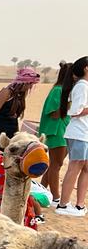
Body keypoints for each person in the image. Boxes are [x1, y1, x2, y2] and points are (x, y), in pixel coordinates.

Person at [56, 56, 88, 217]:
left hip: (84, 134)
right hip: (79, 133)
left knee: (86, 169)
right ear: (86, 69)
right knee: (75, 167)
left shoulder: (84, 86)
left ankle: (79, 205)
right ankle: (62, 205)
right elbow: (75, 112)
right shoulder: (82, 86)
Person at [38, 62, 72, 203]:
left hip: (62, 130)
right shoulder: (58, 90)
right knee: (56, 165)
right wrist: (70, 103)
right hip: (56, 131)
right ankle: (56, 198)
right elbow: (54, 114)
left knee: (53, 164)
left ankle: (42, 191)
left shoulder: (63, 91)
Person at [0, 67, 40, 147]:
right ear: (24, 82)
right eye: (30, 84)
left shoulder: (21, 94)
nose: (30, 87)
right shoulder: (6, 92)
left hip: (12, 132)